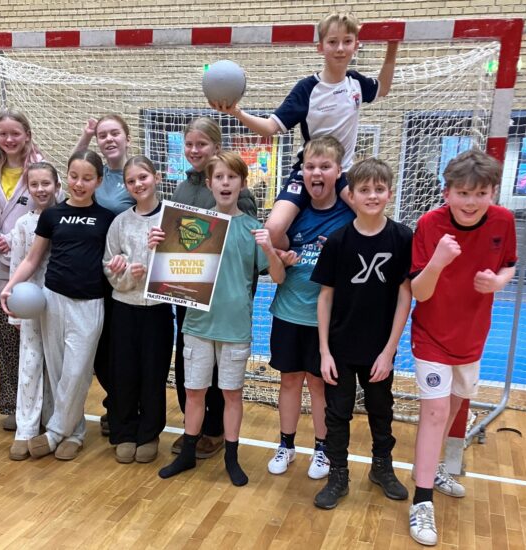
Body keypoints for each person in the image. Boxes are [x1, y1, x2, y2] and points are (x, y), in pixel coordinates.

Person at [211, 11, 398, 249]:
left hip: (344, 172)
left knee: (375, 222)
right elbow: (270, 128)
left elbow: (383, 88)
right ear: (320, 47)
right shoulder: (307, 89)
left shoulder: (356, 83)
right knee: (272, 230)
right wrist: (236, 112)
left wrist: (393, 46)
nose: (340, 48)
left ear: (356, 45)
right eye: (332, 42)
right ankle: (295, 258)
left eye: (347, 41)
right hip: (308, 170)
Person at [155, 151, 285, 486]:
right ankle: (187, 453)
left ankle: (231, 457)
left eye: (232, 177)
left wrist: (270, 249)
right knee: (194, 392)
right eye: (219, 177)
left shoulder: (253, 229)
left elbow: (279, 276)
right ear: (210, 183)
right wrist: (158, 245)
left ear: (242, 183)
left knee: (231, 394)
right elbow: (171, 273)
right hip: (198, 324)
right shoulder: (192, 224)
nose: (225, 183)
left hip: (235, 326)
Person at [407, 149, 516, 546]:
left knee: (453, 408)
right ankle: (422, 501)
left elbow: (509, 264)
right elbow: (419, 291)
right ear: (447, 193)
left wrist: (499, 281)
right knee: (435, 411)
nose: (471, 202)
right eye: (463, 193)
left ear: (492, 193)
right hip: (431, 336)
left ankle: (431, 467)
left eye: (480, 194)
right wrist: (437, 262)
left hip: (472, 337)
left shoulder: (503, 220)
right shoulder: (429, 224)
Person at [310, 157, 411, 509]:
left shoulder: (402, 237)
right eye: (364, 189)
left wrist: (389, 350)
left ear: (390, 194)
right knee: (337, 413)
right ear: (351, 195)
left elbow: (405, 296)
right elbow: (325, 297)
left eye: (379, 189)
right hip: (340, 347)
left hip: (379, 348)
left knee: (381, 409)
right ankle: (338, 473)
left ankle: (382, 466)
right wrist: (324, 351)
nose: (372, 195)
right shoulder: (339, 241)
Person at [1, 150, 116, 460]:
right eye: (74, 176)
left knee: (77, 373)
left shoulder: (107, 218)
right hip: (53, 300)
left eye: (87, 178)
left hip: (90, 303)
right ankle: (74, 434)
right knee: (58, 372)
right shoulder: (52, 216)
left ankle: (53, 433)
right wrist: (10, 286)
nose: (79, 183)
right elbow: (32, 259)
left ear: (98, 181)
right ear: (67, 177)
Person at [265, 136, 355, 479]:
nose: (317, 173)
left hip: (326, 319)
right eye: (310, 167)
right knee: (289, 381)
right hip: (289, 311)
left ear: (339, 172)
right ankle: (286, 445)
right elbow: (276, 247)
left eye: (325, 167)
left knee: (319, 384)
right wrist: (282, 257)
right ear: (301, 172)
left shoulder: (349, 213)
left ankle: (322, 449)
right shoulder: (292, 211)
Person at [169, 116, 258, 459]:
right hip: (188, 291)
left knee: (222, 371)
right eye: (189, 144)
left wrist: (242, 296)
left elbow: (244, 251)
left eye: (202, 144)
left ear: (216, 147)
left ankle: (215, 430)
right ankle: (193, 428)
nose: (194, 150)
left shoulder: (239, 194)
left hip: (224, 299)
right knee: (190, 364)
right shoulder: (182, 187)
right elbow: (177, 241)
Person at [103, 155, 174, 464]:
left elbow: (184, 268)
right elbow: (108, 265)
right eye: (131, 181)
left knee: (154, 373)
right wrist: (125, 275)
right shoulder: (120, 222)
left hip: (158, 309)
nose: (138, 184)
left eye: (142, 177)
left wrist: (164, 249)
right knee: (124, 372)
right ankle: (124, 432)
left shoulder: (173, 219)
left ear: (156, 177)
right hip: (124, 308)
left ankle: (149, 434)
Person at [0, 108, 43, 431]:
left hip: (32, 262)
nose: (9, 139)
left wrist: (16, 240)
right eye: (3, 134)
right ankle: (11, 406)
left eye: (15, 133)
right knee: (6, 342)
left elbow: (47, 209)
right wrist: (0, 240)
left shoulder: (40, 168)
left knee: (35, 340)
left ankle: (39, 405)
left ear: (27, 135)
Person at [72, 114, 134, 437]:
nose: (109, 139)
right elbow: (73, 171)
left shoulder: (136, 174)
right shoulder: (96, 176)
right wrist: (85, 135)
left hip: (128, 276)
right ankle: (116, 401)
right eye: (102, 135)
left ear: (127, 137)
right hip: (96, 272)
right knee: (99, 348)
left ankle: (125, 407)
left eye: (114, 133)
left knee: (121, 346)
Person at [6, 161, 61, 461]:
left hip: (60, 304)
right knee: (30, 363)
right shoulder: (23, 225)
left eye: (46, 183)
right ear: (27, 188)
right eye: (34, 184)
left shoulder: (66, 218)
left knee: (56, 366)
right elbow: (18, 264)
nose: (41, 189)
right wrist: (14, 309)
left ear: (57, 185)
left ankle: (53, 426)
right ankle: (25, 429)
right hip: (29, 305)